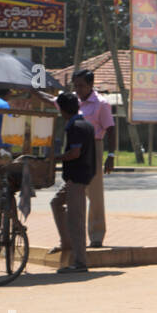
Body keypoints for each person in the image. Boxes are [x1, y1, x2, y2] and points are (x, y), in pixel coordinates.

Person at [51, 92, 95, 274]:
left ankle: (80, 262)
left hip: (77, 177)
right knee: (56, 202)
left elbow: (75, 153)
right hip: (77, 176)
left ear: (62, 110)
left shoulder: (75, 127)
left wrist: (57, 158)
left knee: (75, 220)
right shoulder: (85, 123)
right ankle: (67, 242)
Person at [72, 69, 115, 248]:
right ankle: (74, 237)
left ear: (90, 85)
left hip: (93, 147)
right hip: (75, 148)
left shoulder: (101, 104)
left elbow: (111, 129)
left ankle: (96, 235)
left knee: (95, 195)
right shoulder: (73, 101)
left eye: (81, 85)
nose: (78, 89)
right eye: (75, 86)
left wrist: (110, 156)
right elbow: (54, 102)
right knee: (74, 193)